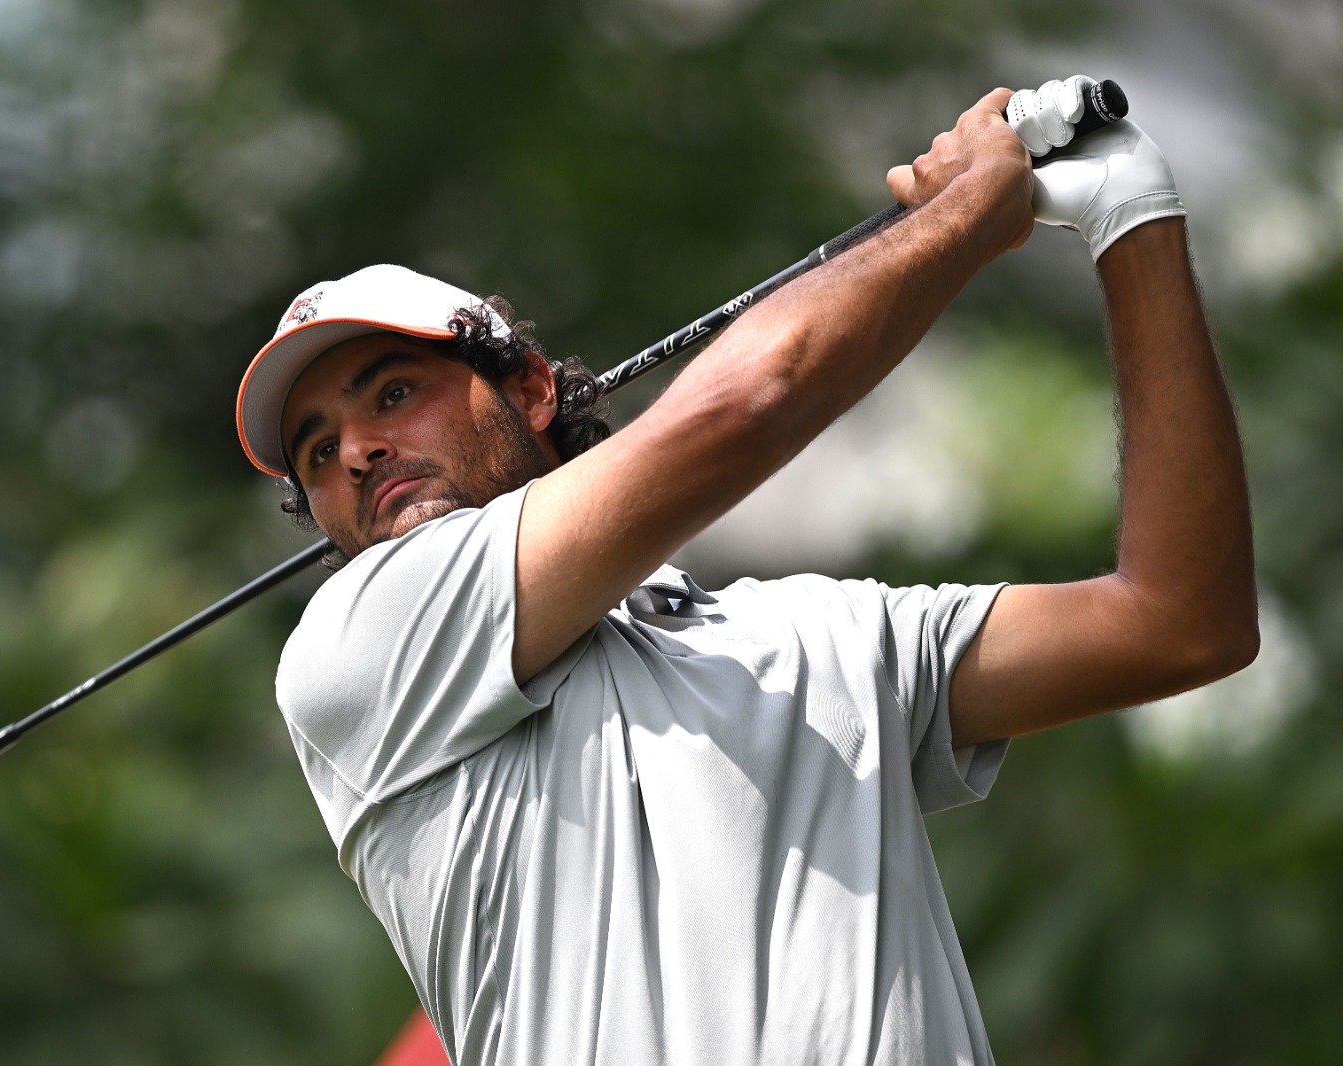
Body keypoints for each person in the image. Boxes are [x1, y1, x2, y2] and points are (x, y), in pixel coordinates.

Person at [234, 76, 1257, 1064]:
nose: (356, 451)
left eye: (393, 392)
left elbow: (1179, 622)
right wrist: (964, 220)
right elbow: (753, 399)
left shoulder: (811, 637)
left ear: (531, 390)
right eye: (316, 452)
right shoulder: (355, 654)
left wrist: (1132, 219)